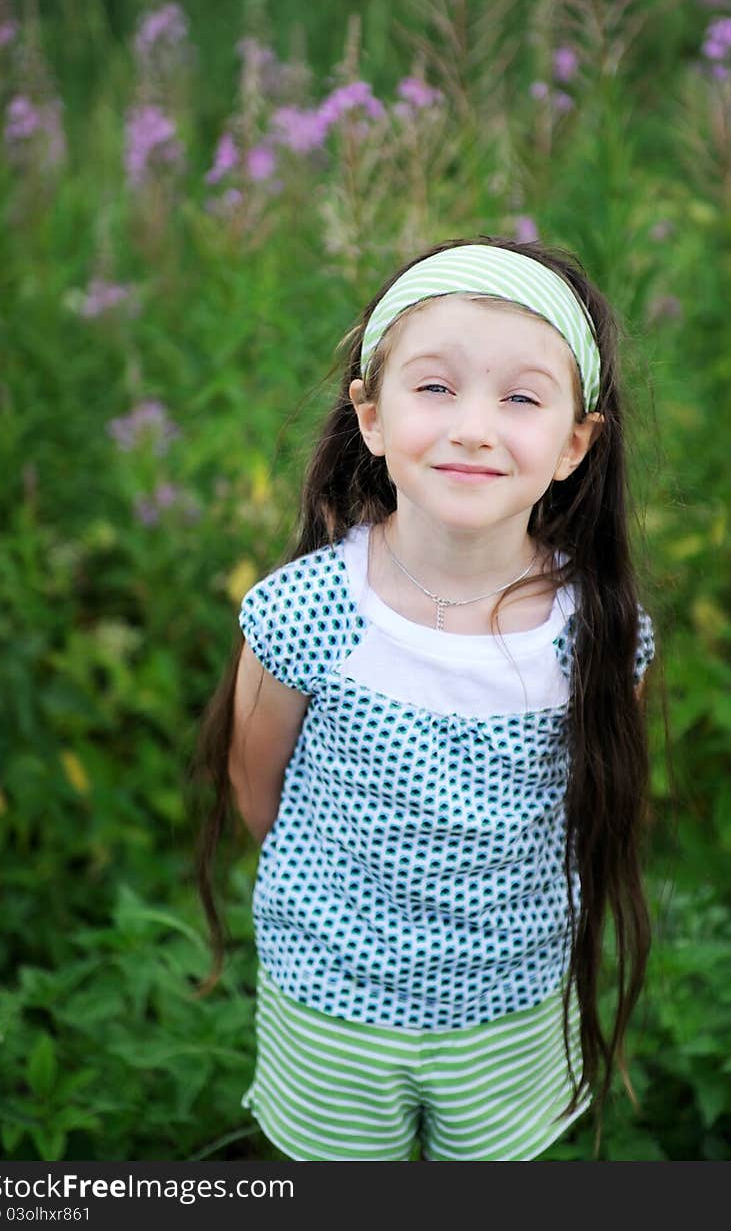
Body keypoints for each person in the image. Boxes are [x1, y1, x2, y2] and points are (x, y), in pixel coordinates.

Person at [189, 235, 659, 1162]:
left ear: (574, 442)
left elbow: (598, 805)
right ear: (370, 416)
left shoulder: (597, 631)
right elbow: (260, 793)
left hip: (511, 1002)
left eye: (521, 398)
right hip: (332, 1000)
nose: (474, 427)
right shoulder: (307, 611)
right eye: (434, 388)